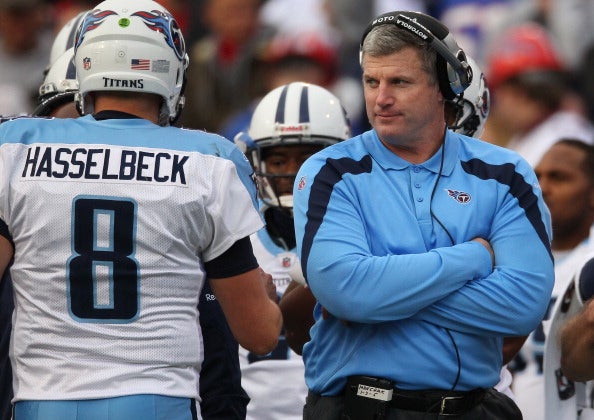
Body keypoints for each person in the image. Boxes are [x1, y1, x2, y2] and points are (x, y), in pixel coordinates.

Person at [0, 1, 282, 419]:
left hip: (44, 401)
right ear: (171, 69)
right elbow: (258, 335)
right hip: (156, 399)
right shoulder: (210, 160)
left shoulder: (17, 146)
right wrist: (267, 296)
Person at [291, 10, 554, 419]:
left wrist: (381, 288)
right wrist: (475, 258)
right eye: (371, 81)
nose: (381, 98)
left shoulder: (506, 172)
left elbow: (523, 304)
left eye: (399, 82)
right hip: (360, 409)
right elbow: (344, 290)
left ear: (444, 89)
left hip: (473, 408)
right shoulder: (329, 170)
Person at [233, 81, 351, 420]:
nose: (292, 173)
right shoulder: (237, 239)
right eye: (280, 159)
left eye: (308, 158)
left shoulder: (360, 237)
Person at [510, 139, 594, 420]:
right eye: (537, 176)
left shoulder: (590, 265)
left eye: (559, 177)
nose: (542, 188)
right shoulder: (505, 254)